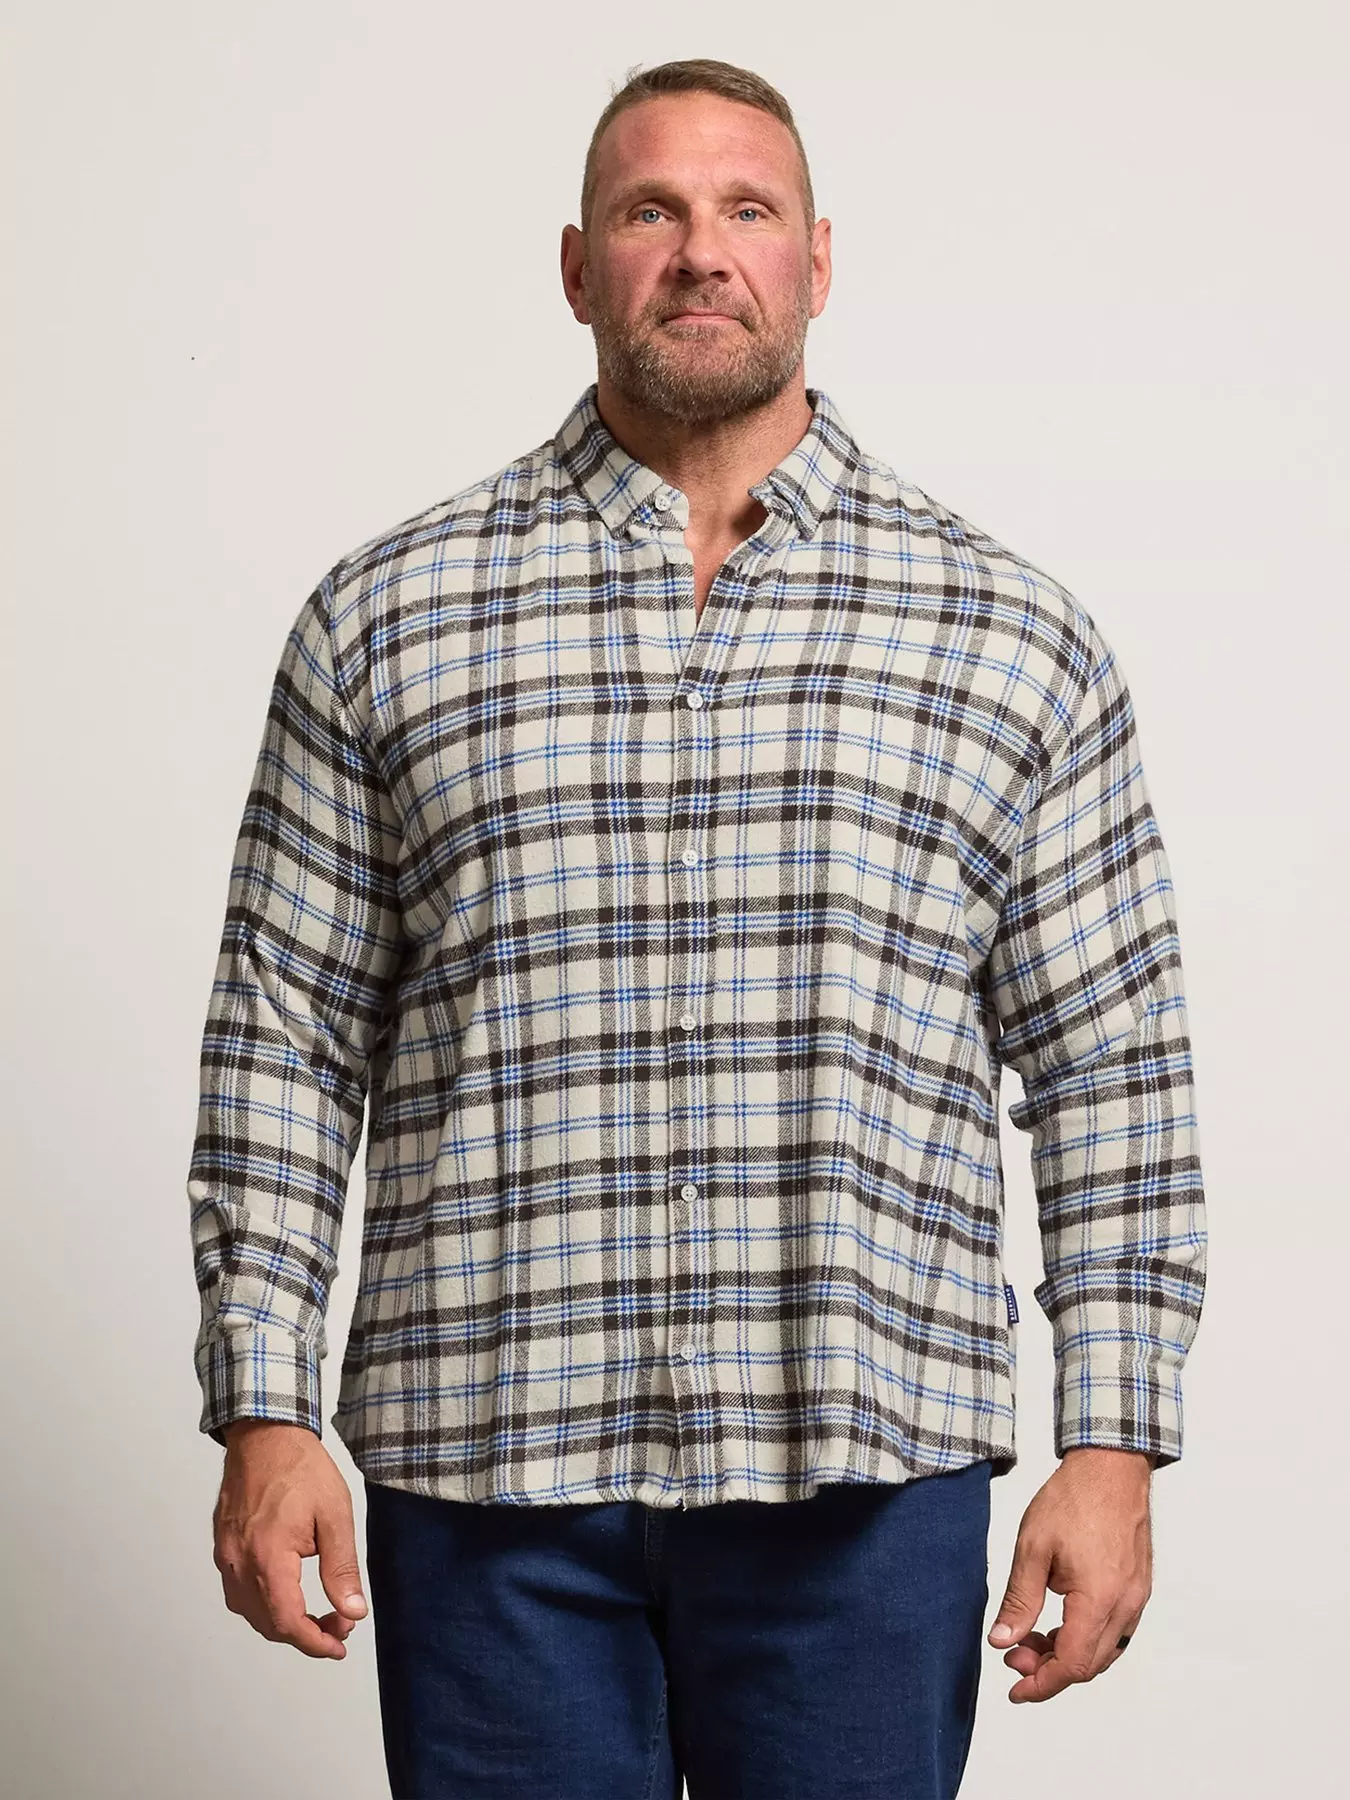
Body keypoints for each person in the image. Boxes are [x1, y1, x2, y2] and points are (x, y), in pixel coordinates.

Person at [189, 55, 1208, 1800]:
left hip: (865, 1487)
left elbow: (1110, 1067)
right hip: (485, 1478)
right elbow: (283, 1039)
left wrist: (1111, 1441)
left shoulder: (1006, 633)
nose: (699, 250)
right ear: (576, 266)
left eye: (746, 209)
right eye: (648, 210)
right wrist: (265, 1405)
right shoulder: (385, 618)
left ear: (817, 258)